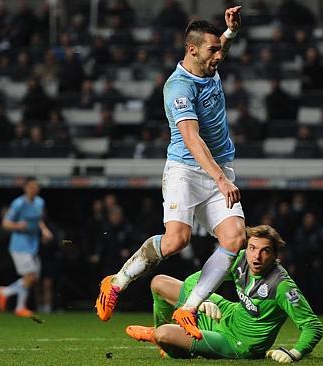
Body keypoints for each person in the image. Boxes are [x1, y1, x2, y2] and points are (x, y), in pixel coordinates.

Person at [95, 6, 246, 341]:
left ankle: (188, 308)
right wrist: (221, 179)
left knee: (235, 239)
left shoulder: (209, 64)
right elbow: (191, 139)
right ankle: (117, 281)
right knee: (178, 239)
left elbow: (221, 46)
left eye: (220, 49)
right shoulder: (178, 88)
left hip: (218, 168)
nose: (220, 54)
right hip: (186, 170)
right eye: (213, 49)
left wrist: (230, 32)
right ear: (191, 49)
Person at [124, 225, 323, 362]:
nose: (256, 256)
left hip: (236, 343)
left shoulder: (281, 286)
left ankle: (171, 344)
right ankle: (163, 337)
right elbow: (197, 279)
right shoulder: (241, 258)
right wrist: (199, 301)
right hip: (226, 314)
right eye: (252, 248)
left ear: (275, 255)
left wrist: (294, 353)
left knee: (164, 334)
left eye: (265, 251)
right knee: (159, 283)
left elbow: (312, 326)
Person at [0, 177, 53, 317]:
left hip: (33, 245)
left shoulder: (40, 202)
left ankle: (12, 299)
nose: (34, 189)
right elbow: (5, 223)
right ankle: (12, 299)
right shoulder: (18, 203)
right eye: (32, 186)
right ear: (26, 188)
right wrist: (17, 225)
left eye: (36, 186)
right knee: (30, 276)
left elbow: (39, 219)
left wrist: (44, 230)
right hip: (19, 245)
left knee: (33, 278)